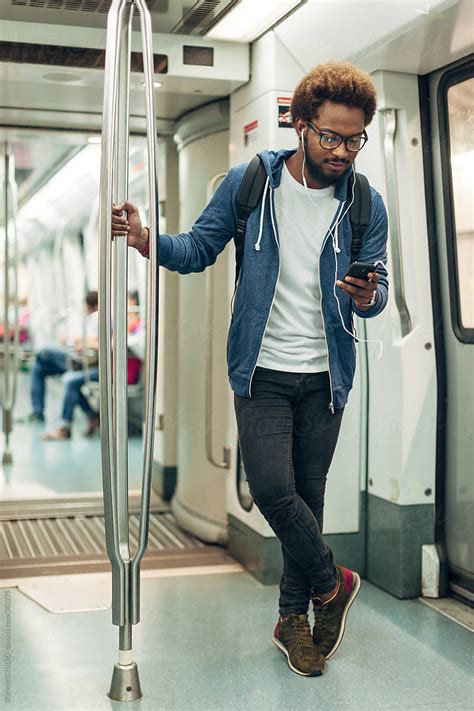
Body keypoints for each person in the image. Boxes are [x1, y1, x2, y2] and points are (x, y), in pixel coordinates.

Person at [112, 61, 389, 677]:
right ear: (301, 126)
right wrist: (145, 239)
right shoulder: (249, 184)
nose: (343, 151)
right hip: (261, 370)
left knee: (307, 503)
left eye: (354, 139)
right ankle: (332, 582)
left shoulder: (365, 203)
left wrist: (370, 296)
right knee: (270, 491)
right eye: (331, 137)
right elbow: (197, 250)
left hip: (326, 377)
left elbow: (380, 288)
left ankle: (297, 622)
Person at [24, 290, 100, 439]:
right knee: (38, 369)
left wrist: (81, 343)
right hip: (80, 357)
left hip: (87, 362)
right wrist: (73, 340)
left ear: (91, 306)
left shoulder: (101, 319)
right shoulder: (93, 319)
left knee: (44, 352)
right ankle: (39, 412)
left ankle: (64, 427)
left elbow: (98, 341)